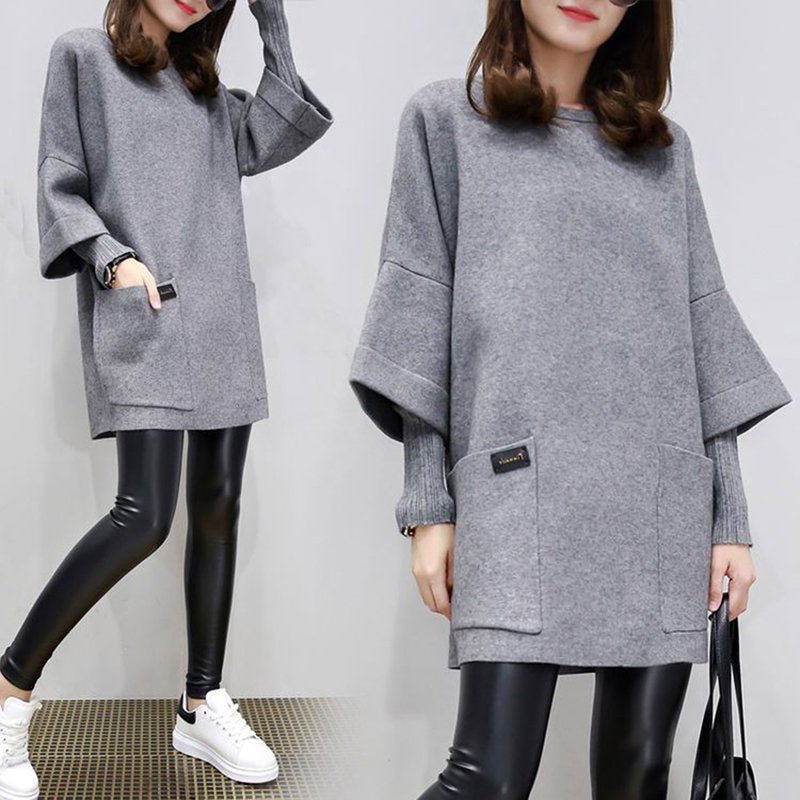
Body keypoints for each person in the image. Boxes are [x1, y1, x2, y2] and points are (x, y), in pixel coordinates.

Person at [348, 1, 791, 797]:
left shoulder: (664, 153)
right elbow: (417, 317)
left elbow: (702, 338)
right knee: (485, 779)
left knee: (637, 778)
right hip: (515, 495)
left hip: (658, 508)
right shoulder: (445, 121)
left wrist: (730, 522)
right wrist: (427, 503)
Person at [0, 0, 332, 795]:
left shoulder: (208, 95)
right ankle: (9, 686)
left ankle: (200, 702)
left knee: (217, 508)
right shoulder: (82, 57)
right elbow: (59, 184)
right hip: (149, 313)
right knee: (143, 517)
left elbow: (283, 123)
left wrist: (272, 18)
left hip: (222, 324)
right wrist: (112, 259)